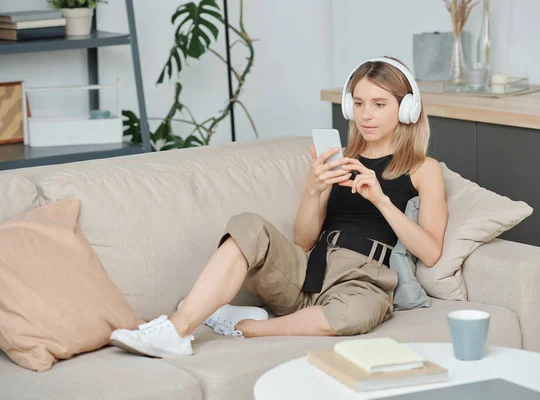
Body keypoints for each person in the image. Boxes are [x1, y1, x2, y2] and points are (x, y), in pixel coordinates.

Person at [109, 56, 448, 358]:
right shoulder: (340, 159)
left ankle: (250, 326)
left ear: (407, 109)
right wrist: (314, 190)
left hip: (361, 281)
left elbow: (430, 252)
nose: (366, 115)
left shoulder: (423, 169)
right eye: (358, 103)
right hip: (307, 272)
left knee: (356, 314)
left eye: (378, 104)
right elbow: (303, 240)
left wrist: (382, 200)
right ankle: (176, 330)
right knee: (248, 225)